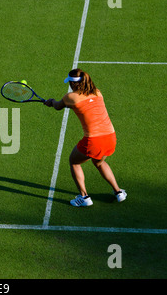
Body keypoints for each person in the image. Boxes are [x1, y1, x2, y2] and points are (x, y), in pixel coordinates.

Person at [44, 69, 127, 207]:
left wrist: (51, 101)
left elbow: (58, 106)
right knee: (99, 162)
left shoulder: (70, 97)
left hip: (94, 141)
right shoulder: (98, 92)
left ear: (73, 83)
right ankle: (118, 192)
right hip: (110, 137)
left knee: (74, 161)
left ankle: (84, 197)